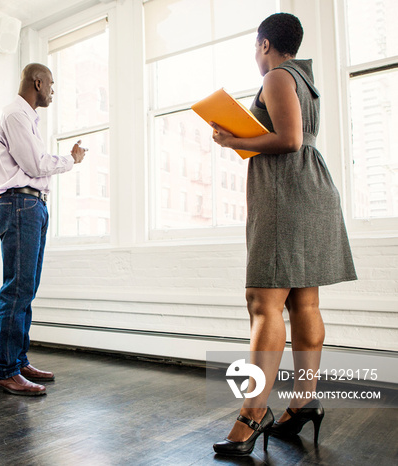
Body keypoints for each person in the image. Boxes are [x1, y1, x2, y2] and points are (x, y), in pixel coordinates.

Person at [209, 13, 357, 456]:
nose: (257, 55)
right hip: (312, 190)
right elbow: (298, 137)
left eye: (257, 48)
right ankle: (304, 401)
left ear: (265, 44)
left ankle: (253, 413)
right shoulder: (305, 81)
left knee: (263, 302)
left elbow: (289, 140)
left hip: (286, 195)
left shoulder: (276, 76)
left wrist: (234, 141)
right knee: (303, 301)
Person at [0, 63, 86, 396]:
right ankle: (5, 370)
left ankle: (18, 360)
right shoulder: (16, 116)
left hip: (32, 205)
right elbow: (34, 164)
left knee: (26, 289)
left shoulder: (27, 118)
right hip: (20, 205)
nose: (53, 91)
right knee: (17, 289)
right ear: (38, 81)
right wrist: (70, 160)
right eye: (51, 84)